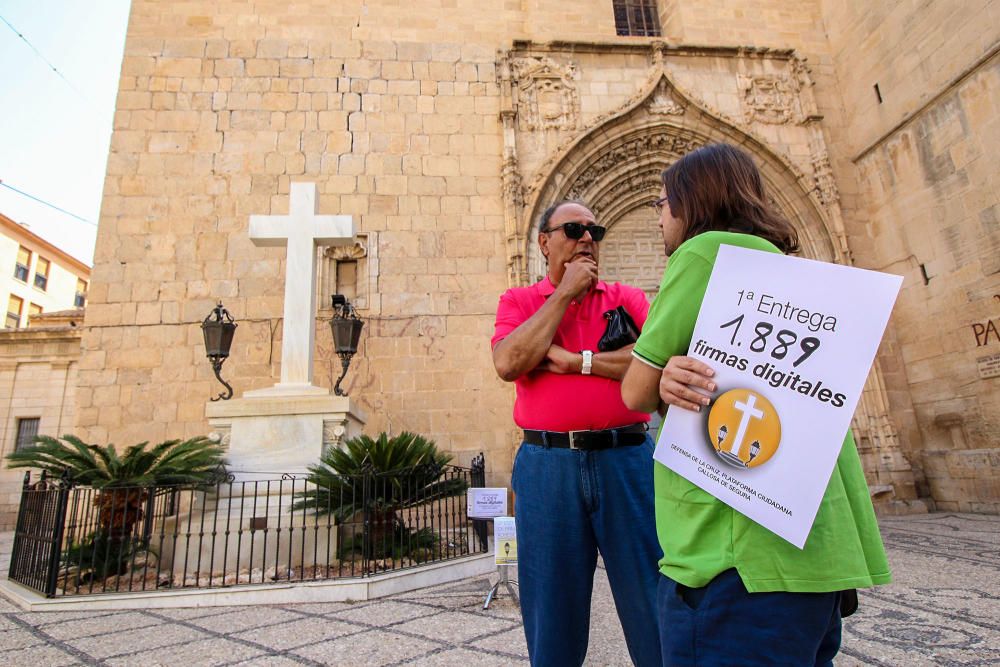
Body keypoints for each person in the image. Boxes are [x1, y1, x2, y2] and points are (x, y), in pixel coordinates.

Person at [620, 144, 891, 666]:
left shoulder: (700, 255)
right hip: (813, 560)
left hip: (733, 559)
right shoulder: (792, 273)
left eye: (662, 202)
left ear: (691, 202)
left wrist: (657, 374)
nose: (657, 216)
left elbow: (634, 391)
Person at [492, 201, 661, 667]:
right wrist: (563, 295)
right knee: (552, 606)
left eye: (594, 230)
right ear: (545, 242)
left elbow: (656, 363)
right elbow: (509, 362)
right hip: (549, 466)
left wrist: (576, 362)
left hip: (627, 459)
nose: (587, 238)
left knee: (653, 597)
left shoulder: (626, 298)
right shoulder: (520, 302)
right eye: (573, 229)